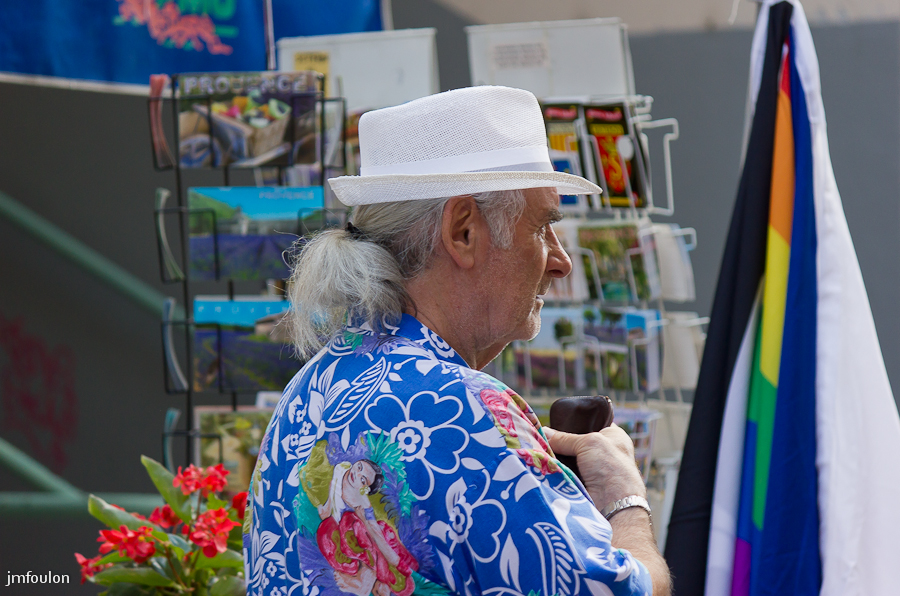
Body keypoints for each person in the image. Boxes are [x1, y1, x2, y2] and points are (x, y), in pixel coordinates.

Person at [243, 85, 671, 596]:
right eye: (543, 227)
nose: (561, 261)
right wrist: (624, 498)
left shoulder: (307, 391)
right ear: (463, 231)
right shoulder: (468, 409)